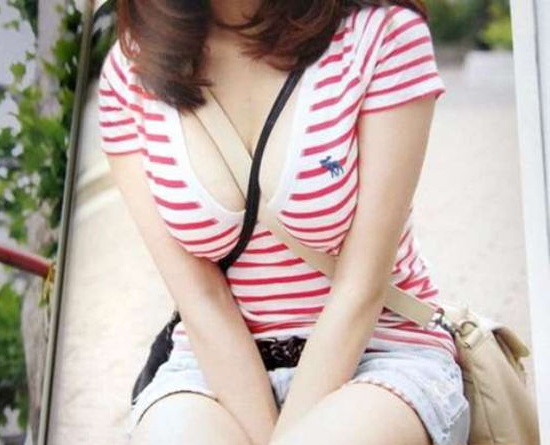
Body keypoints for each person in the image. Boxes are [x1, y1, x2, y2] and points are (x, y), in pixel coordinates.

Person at [98, 1, 470, 445]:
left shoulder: (382, 33)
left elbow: (361, 288)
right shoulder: (132, 68)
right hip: (212, 371)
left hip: (381, 354)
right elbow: (200, 300)